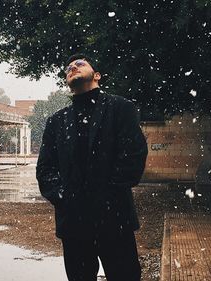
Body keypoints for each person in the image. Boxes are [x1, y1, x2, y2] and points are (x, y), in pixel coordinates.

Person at [36, 54, 148, 281]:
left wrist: (107, 194)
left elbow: (134, 156)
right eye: (69, 67)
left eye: (80, 64)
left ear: (96, 75)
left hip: (114, 218)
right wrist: (64, 197)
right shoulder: (57, 120)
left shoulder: (121, 108)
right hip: (73, 223)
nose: (73, 67)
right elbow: (45, 169)